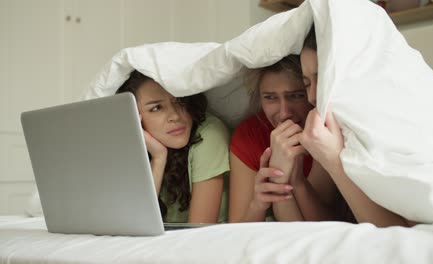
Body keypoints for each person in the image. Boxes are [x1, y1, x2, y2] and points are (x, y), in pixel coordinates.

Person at [299, 25, 415, 227]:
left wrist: (334, 161)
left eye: (322, 78)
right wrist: (293, 180)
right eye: (307, 83)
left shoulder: (399, 126)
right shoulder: (335, 130)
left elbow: (398, 236)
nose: (311, 97)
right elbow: (317, 222)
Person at [229, 55, 344, 222]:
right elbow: (236, 233)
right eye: (270, 97)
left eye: (296, 96)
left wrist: (294, 181)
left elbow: (319, 226)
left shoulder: (323, 130)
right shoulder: (249, 136)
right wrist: (258, 204)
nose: (284, 113)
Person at [116, 70, 230, 223]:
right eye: (156, 108)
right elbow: (133, 223)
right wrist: (158, 157)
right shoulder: (132, 143)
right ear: (135, 117)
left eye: (179, 101)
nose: (175, 116)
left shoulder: (209, 133)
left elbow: (199, 229)